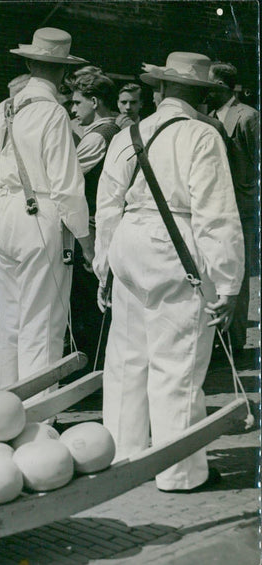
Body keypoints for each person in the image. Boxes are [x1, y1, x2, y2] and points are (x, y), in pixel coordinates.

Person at [94, 52, 243, 492]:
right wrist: (229, 282)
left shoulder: (128, 134)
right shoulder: (201, 135)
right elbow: (215, 214)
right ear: (201, 96)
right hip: (175, 239)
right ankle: (179, 472)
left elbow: (106, 207)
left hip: (129, 240)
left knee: (126, 357)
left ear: (159, 90)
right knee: (175, 362)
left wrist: (104, 265)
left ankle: (123, 453)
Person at [0, 28, 93, 391]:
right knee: (42, 322)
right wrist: (86, 241)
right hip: (39, 215)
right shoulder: (53, 113)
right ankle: (38, 415)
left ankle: (3, 406)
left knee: (10, 319)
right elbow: (66, 186)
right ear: (62, 72)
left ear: (28, 63)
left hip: (4, 215)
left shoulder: (2, 109)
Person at [207, 61, 260, 360]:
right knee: (217, 270)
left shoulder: (248, 117)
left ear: (222, 87)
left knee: (237, 274)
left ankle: (234, 343)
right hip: (214, 205)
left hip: (242, 208)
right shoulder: (208, 118)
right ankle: (216, 337)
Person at [68, 72, 121, 368]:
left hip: (91, 227)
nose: (74, 110)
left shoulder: (97, 137)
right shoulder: (119, 131)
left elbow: (67, 180)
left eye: (77, 102)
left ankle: (91, 367)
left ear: (94, 101)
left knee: (88, 302)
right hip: (104, 224)